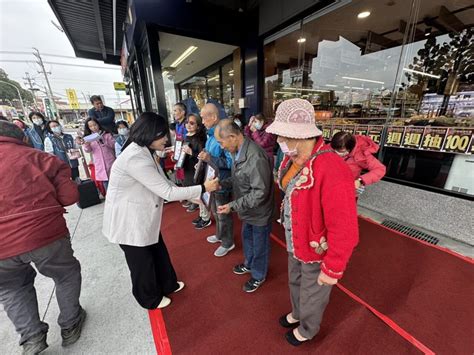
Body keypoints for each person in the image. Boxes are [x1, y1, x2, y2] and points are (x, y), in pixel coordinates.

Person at [102, 112, 219, 309]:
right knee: (141, 262)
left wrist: (195, 196)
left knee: (158, 251)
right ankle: (149, 298)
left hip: (141, 215)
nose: (166, 139)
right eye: (162, 135)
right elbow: (166, 191)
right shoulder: (135, 158)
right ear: (149, 134)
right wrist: (203, 189)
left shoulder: (145, 150)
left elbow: (164, 182)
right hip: (128, 220)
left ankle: (168, 283)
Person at [265, 98, 359, 346]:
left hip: (318, 245)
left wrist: (334, 267)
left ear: (298, 135)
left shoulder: (332, 168)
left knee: (313, 290)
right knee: (295, 280)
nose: (278, 141)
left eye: (282, 136)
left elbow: (345, 226)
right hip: (296, 238)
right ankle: (298, 313)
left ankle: (308, 328)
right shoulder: (293, 159)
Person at [0, 121, 85, 354]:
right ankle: (70, 324)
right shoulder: (40, 158)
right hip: (45, 234)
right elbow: (69, 196)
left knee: (11, 289)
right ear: (22, 137)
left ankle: (32, 338)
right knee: (65, 274)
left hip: (2, 248)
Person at [215, 119, 274, 293]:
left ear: (233, 137)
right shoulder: (238, 150)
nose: (221, 146)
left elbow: (259, 193)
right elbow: (239, 179)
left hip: (259, 211)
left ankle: (258, 274)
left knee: (260, 243)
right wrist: (221, 184)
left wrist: (232, 206)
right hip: (247, 208)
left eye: (221, 142)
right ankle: (249, 263)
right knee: (247, 237)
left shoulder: (255, 157)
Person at [198, 103, 234, 257]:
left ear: (213, 117)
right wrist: (203, 159)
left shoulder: (223, 134)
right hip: (211, 181)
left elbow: (231, 163)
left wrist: (210, 158)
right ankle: (220, 235)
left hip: (222, 183)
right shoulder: (211, 134)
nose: (202, 121)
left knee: (222, 213)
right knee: (214, 210)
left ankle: (228, 242)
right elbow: (209, 153)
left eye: (203, 117)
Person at [181, 114, 211, 229]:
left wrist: (191, 153)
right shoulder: (186, 136)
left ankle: (205, 217)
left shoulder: (199, 139)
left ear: (198, 126)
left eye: (192, 123)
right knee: (195, 193)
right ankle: (201, 215)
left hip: (198, 170)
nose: (188, 125)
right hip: (188, 169)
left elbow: (201, 157)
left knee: (201, 193)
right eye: (187, 122)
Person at [76, 117, 116, 192]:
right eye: (90, 126)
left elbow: (113, 145)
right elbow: (88, 150)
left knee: (115, 180)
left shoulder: (106, 134)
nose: (93, 127)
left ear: (98, 124)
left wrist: (104, 140)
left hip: (110, 161)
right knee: (106, 183)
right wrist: (86, 144)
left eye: (95, 125)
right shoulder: (88, 138)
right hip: (99, 163)